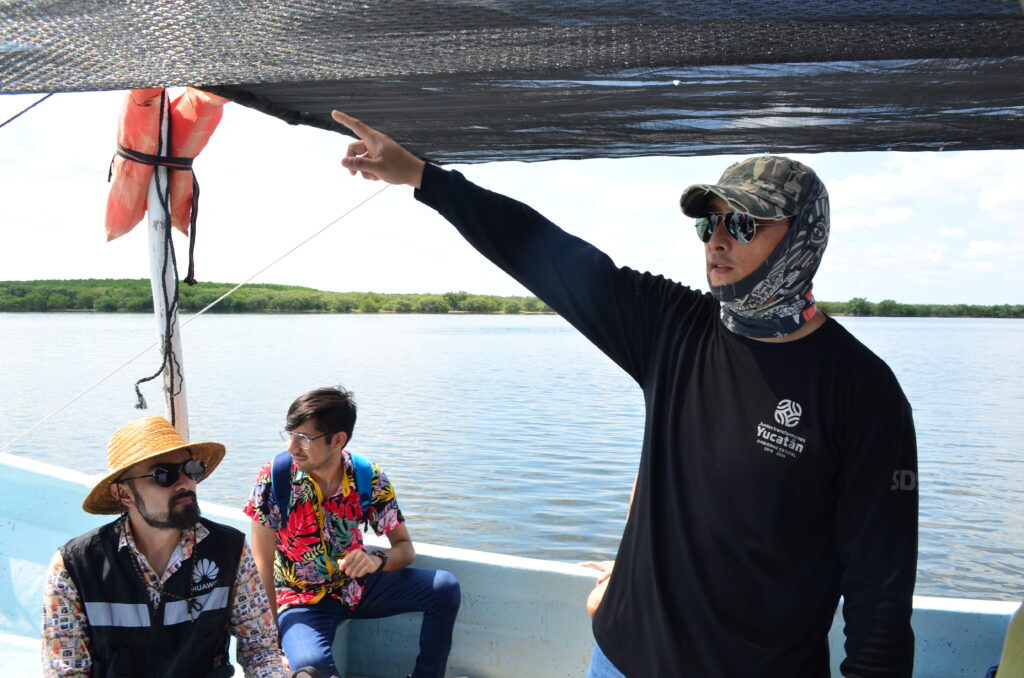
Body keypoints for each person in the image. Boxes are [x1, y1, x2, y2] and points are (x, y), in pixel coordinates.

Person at [328, 110, 919, 677]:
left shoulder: (864, 392)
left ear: (804, 237)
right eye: (708, 223)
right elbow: (546, 255)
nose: (717, 241)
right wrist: (422, 177)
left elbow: (880, 593)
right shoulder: (672, 328)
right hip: (619, 659)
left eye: (742, 224)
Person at [41, 416, 288, 678]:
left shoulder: (230, 550)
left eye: (191, 469)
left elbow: (260, 650)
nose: (185, 483)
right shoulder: (74, 567)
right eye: (163, 475)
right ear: (124, 494)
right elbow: (66, 672)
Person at [244, 387, 461, 678]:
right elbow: (262, 567)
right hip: (301, 601)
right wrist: (273, 644)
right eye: (290, 434)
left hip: (357, 587)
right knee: (313, 667)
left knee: (443, 587)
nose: (292, 447)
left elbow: (405, 548)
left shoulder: (367, 477)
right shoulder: (274, 478)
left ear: (338, 440)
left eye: (304, 438)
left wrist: (377, 561)